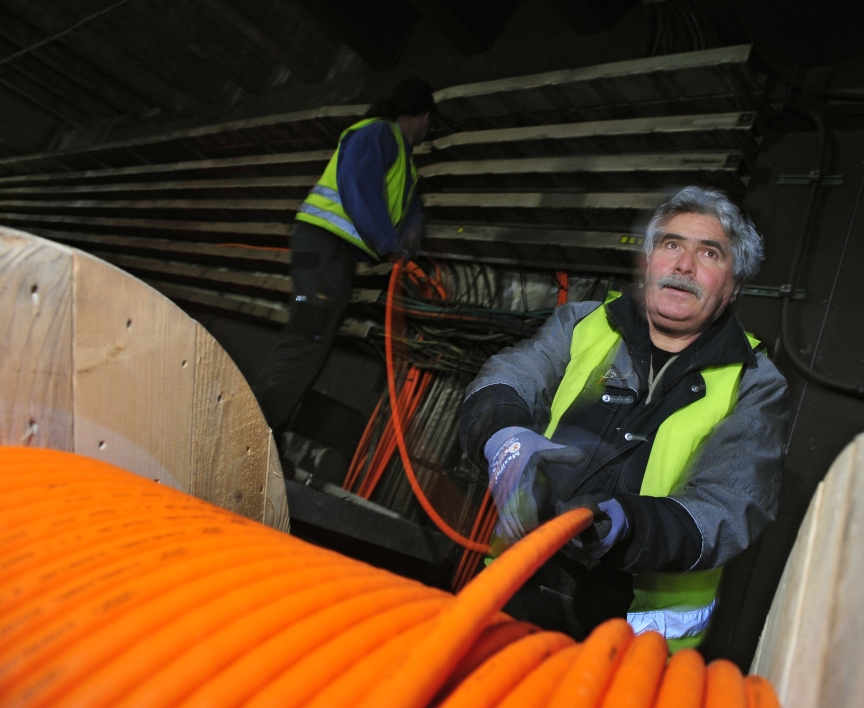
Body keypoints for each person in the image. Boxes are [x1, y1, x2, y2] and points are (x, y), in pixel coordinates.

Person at [459, 186, 789, 651]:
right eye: (671, 245)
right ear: (649, 260)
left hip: (631, 646)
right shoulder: (582, 324)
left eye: (709, 253)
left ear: (733, 285)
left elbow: (732, 505)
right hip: (515, 592)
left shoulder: (755, 383)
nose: (684, 265)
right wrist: (504, 436)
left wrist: (633, 526)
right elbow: (510, 375)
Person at [253, 78, 435, 432]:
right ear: (425, 117)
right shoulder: (379, 133)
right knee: (307, 337)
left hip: (334, 254)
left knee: (312, 341)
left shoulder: (406, 167)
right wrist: (386, 242)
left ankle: (263, 427)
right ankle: (256, 431)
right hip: (322, 244)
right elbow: (358, 186)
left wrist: (410, 236)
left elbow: (410, 214)